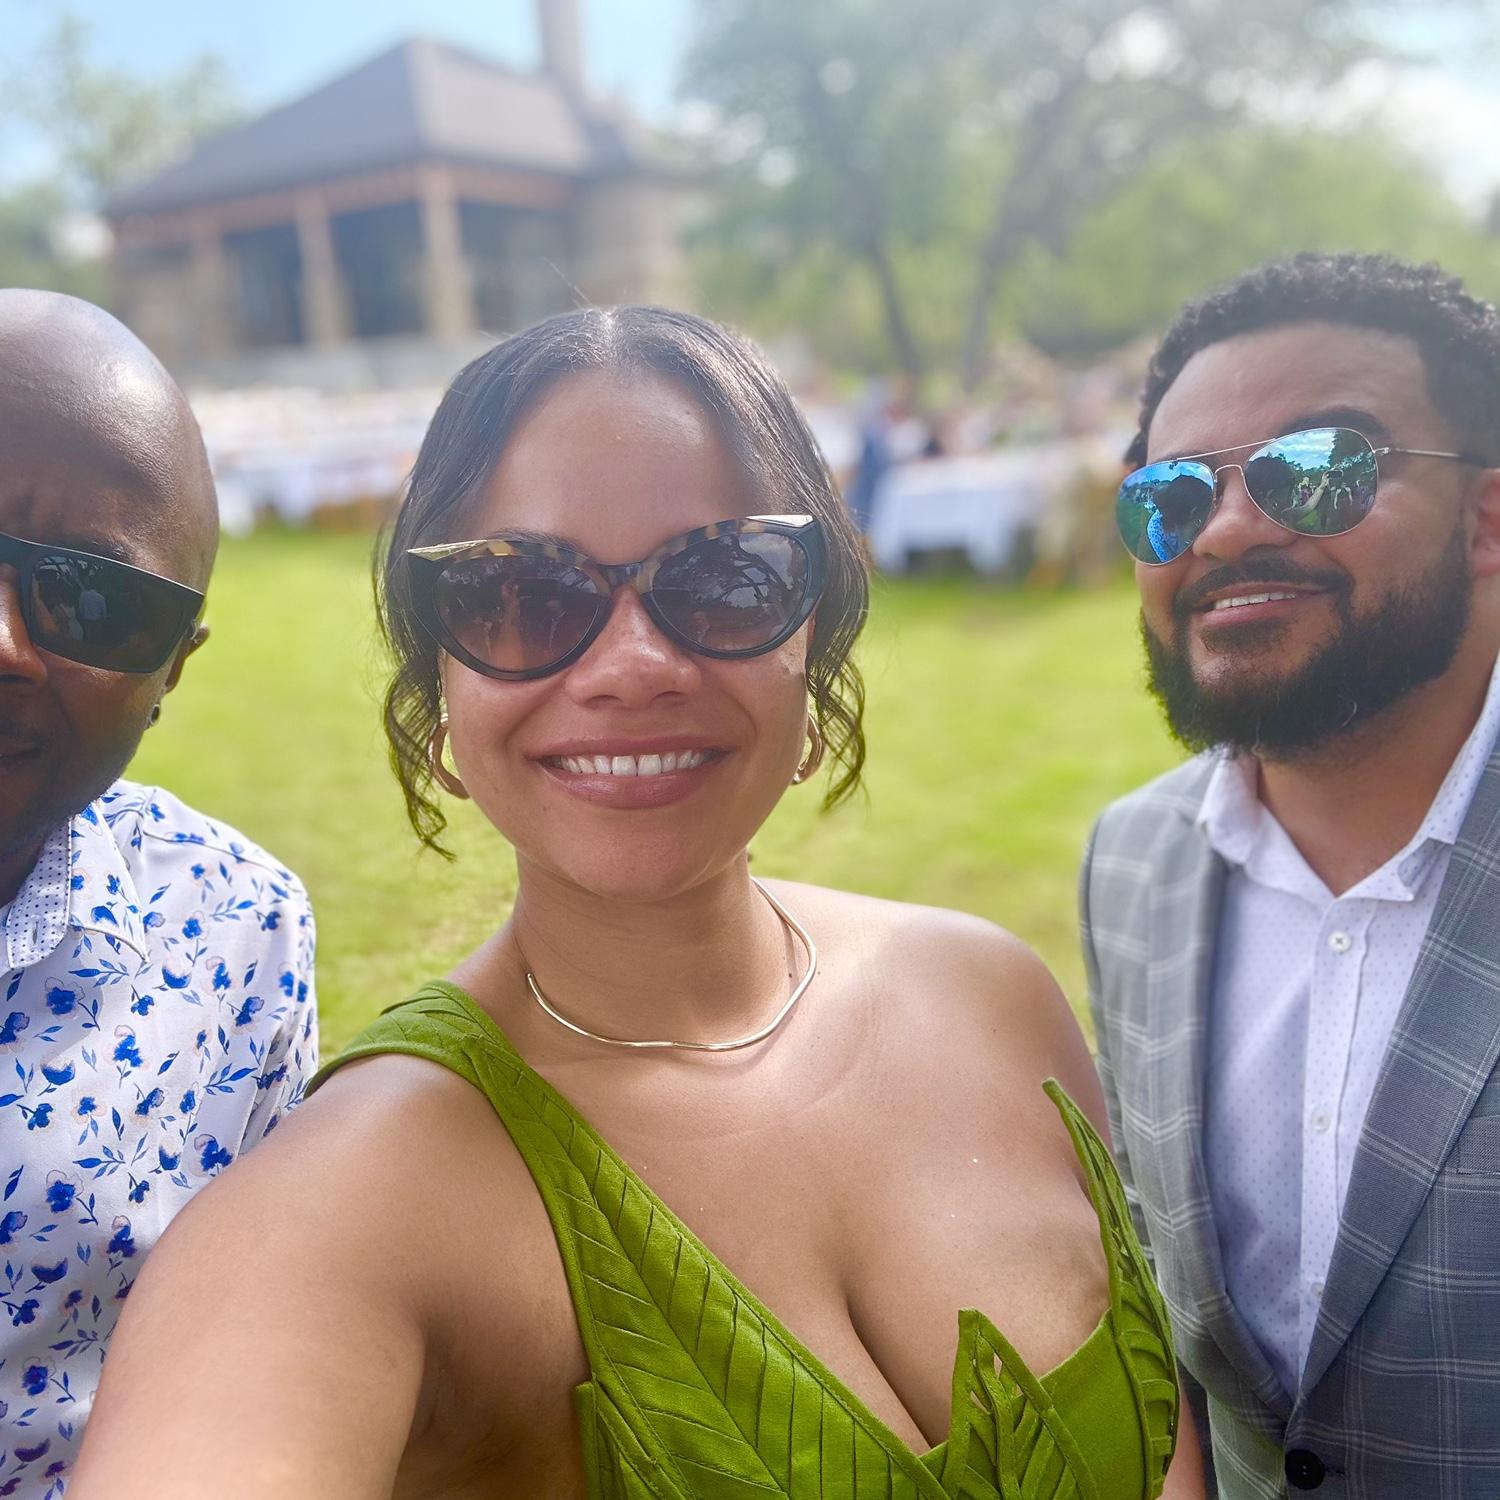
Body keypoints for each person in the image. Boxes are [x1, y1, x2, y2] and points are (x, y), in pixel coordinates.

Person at [71, 307, 1201, 1499]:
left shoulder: (994, 995)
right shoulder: (354, 1202)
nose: (633, 665)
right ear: (438, 684)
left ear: (813, 638)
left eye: (724, 580)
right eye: (523, 593)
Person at [1086, 253, 1500, 1497]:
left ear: (1487, 520)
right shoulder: (1135, 862)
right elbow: (1156, 1289)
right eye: (1170, 495)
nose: (1224, 530)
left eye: (1320, 469)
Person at [0, 290, 318, 1498]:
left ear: (174, 668)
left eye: (90, 598)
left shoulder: (238, 928)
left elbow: (258, 1353)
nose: (4, 644)